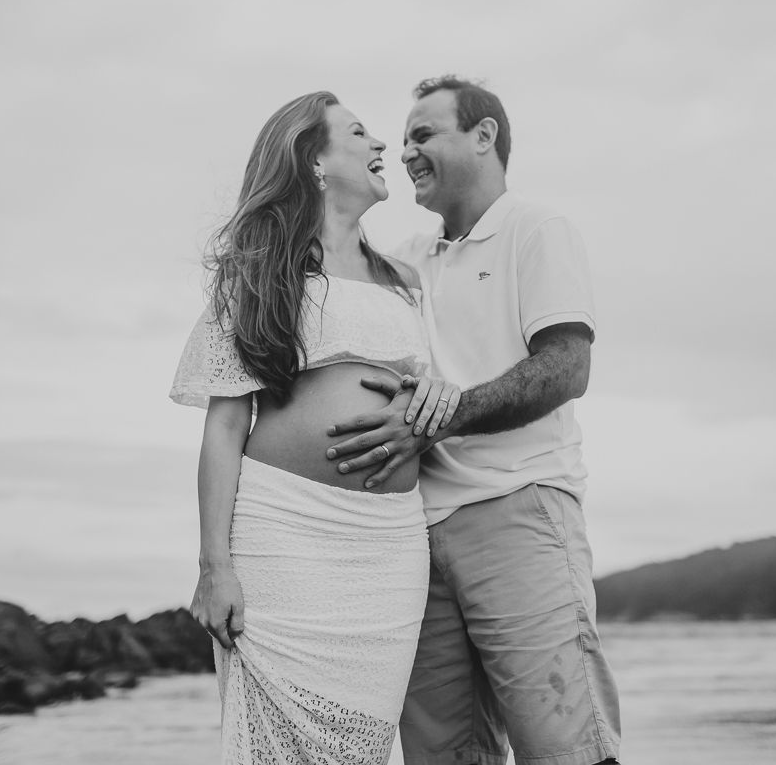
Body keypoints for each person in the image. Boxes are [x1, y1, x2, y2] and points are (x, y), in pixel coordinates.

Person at [325, 77, 622, 765]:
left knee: (566, 747)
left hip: (518, 511)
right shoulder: (402, 262)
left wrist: (445, 414)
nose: (405, 152)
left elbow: (566, 368)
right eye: (403, 140)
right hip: (414, 539)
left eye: (423, 134)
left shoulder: (535, 228)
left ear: (483, 136)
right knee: (445, 756)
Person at [170, 91, 461, 765]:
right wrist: (215, 567)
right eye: (358, 133)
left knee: (361, 747)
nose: (382, 145)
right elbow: (224, 427)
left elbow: (432, 389)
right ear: (315, 162)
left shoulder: (404, 281)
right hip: (284, 535)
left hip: (388, 549)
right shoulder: (260, 272)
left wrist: (437, 395)